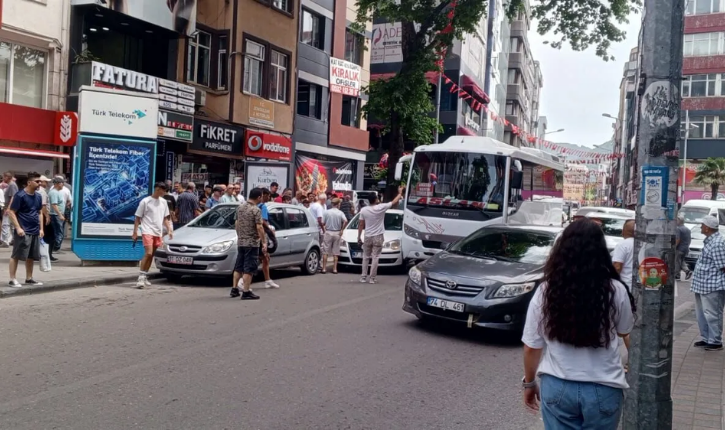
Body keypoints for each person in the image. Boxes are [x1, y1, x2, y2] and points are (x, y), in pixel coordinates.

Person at [521, 219, 635, 429]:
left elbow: (531, 346)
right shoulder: (616, 290)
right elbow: (624, 331)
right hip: (604, 388)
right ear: (601, 251)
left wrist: (529, 383)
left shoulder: (547, 290)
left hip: (558, 386)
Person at [691, 215, 725, 351]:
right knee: (702, 314)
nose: (701, 227)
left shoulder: (717, 243)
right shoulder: (710, 241)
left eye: (702, 225)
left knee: (713, 314)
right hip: (702, 284)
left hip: (712, 285)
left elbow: (723, 265)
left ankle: (715, 340)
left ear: (708, 227)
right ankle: (706, 338)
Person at [357, 186, 404, 284]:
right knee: (375, 257)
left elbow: (361, 224)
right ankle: (372, 278)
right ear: (376, 199)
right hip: (378, 235)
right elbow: (393, 202)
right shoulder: (381, 207)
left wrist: (359, 236)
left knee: (365, 257)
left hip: (368, 235)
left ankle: (363, 277)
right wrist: (399, 193)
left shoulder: (364, 210)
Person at [7, 172, 45, 288]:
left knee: (31, 256)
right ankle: (12, 279)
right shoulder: (20, 195)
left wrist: (41, 229)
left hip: (34, 230)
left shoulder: (38, 196)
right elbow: (11, 212)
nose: (40, 183)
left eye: (40, 181)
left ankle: (29, 278)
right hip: (23, 230)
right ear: (29, 183)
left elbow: (39, 213)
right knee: (16, 255)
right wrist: (18, 228)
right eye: (37, 181)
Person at [132, 183, 173, 289]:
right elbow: (137, 217)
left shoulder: (163, 202)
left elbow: (165, 218)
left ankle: (145, 275)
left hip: (158, 231)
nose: (165, 193)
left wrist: (169, 229)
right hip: (147, 230)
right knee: (148, 253)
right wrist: (135, 232)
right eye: (164, 190)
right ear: (158, 189)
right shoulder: (145, 201)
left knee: (152, 255)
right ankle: (141, 277)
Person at [230, 188, 265, 300]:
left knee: (238, 266)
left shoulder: (240, 208)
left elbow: (236, 223)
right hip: (252, 243)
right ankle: (246, 291)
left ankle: (234, 289)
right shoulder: (256, 210)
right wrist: (263, 241)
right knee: (249, 268)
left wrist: (240, 235)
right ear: (259, 197)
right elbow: (259, 227)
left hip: (241, 241)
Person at [611, 219, 634, 369]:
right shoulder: (643, 244)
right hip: (640, 288)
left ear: (624, 231)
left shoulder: (623, 245)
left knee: (625, 329)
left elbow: (617, 266)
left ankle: (633, 359)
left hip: (626, 288)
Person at [256, 188, 280, 289]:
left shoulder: (253, 206)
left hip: (255, 235)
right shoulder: (263, 207)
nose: (269, 198)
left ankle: (267, 280)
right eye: (268, 195)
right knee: (261, 258)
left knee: (265, 258)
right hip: (261, 236)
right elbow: (263, 221)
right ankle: (242, 281)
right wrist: (270, 230)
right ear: (263, 195)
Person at [322, 198, 348, 274]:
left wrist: (325, 228)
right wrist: (342, 229)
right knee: (336, 252)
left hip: (328, 232)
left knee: (325, 251)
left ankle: (324, 268)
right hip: (337, 233)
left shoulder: (327, 212)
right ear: (338, 204)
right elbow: (345, 221)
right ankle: (335, 269)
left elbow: (323, 222)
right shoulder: (340, 213)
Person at [49, 177, 68, 255]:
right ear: (56, 184)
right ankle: (54, 248)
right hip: (56, 215)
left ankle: (54, 248)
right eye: (61, 183)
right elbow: (54, 205)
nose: (62, 184)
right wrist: (60, 215)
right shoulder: (54, 192)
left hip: (59, 215)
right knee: (59, 233)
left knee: (59, 232)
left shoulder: (59, 192)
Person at [309, 193, 327, 271]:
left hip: (312, 227)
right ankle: (318, 263)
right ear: (323, 199)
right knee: (320, 246)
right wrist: (323, 229)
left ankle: (316, 262)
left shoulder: (313, 205)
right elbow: (320, 219)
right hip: (318, 228)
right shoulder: (319, 207)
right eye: (325, 200)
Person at [1, 171, 18, 246]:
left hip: (9, 207)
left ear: (8, 177)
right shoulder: (10, 185)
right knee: (11, 225)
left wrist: (8, 208)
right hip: (10, 207)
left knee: (6, 224)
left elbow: (13, 197)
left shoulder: (12, 185)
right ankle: (13, 240)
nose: (3, 178)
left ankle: (5, 241)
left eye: (4, 176)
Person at [676, 216, 693, 280]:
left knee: (677, 261)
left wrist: (675, 247)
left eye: (677, 220)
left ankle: (677, 274)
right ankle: (687, 271)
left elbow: (678, 239)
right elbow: (689, 239)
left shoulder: (678, 229)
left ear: (679, 221)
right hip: (685, 248)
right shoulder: (688, 229)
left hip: (680, 248)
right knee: (681, 261)